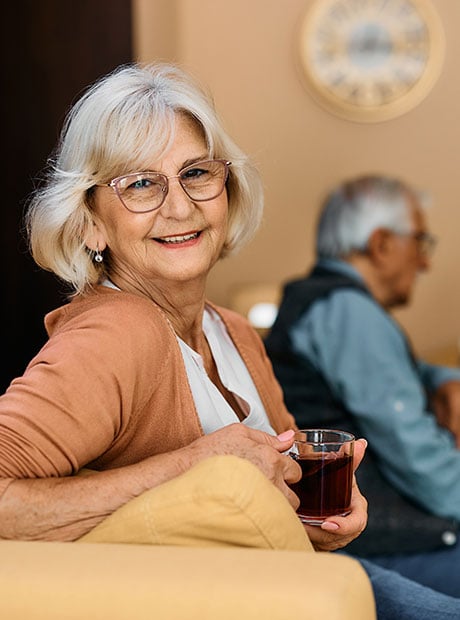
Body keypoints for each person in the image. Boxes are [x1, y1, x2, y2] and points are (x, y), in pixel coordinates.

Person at [0, 64, 458, 619]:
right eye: (140, 184)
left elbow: (269, 509)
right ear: (91, 224)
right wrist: (195, 465)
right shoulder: (117, 333)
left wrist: (322, 515)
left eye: (196, 172)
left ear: (227, 189)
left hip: (305, 589)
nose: (179, 206)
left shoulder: (234, 332)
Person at [264, 174, 460, 598]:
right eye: (421, 243)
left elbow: (396, 376)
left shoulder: (326, 303)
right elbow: (417, 452)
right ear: (382, 244)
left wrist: (443, 377)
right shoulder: (350, 312)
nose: (425, 262)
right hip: (374, 545)